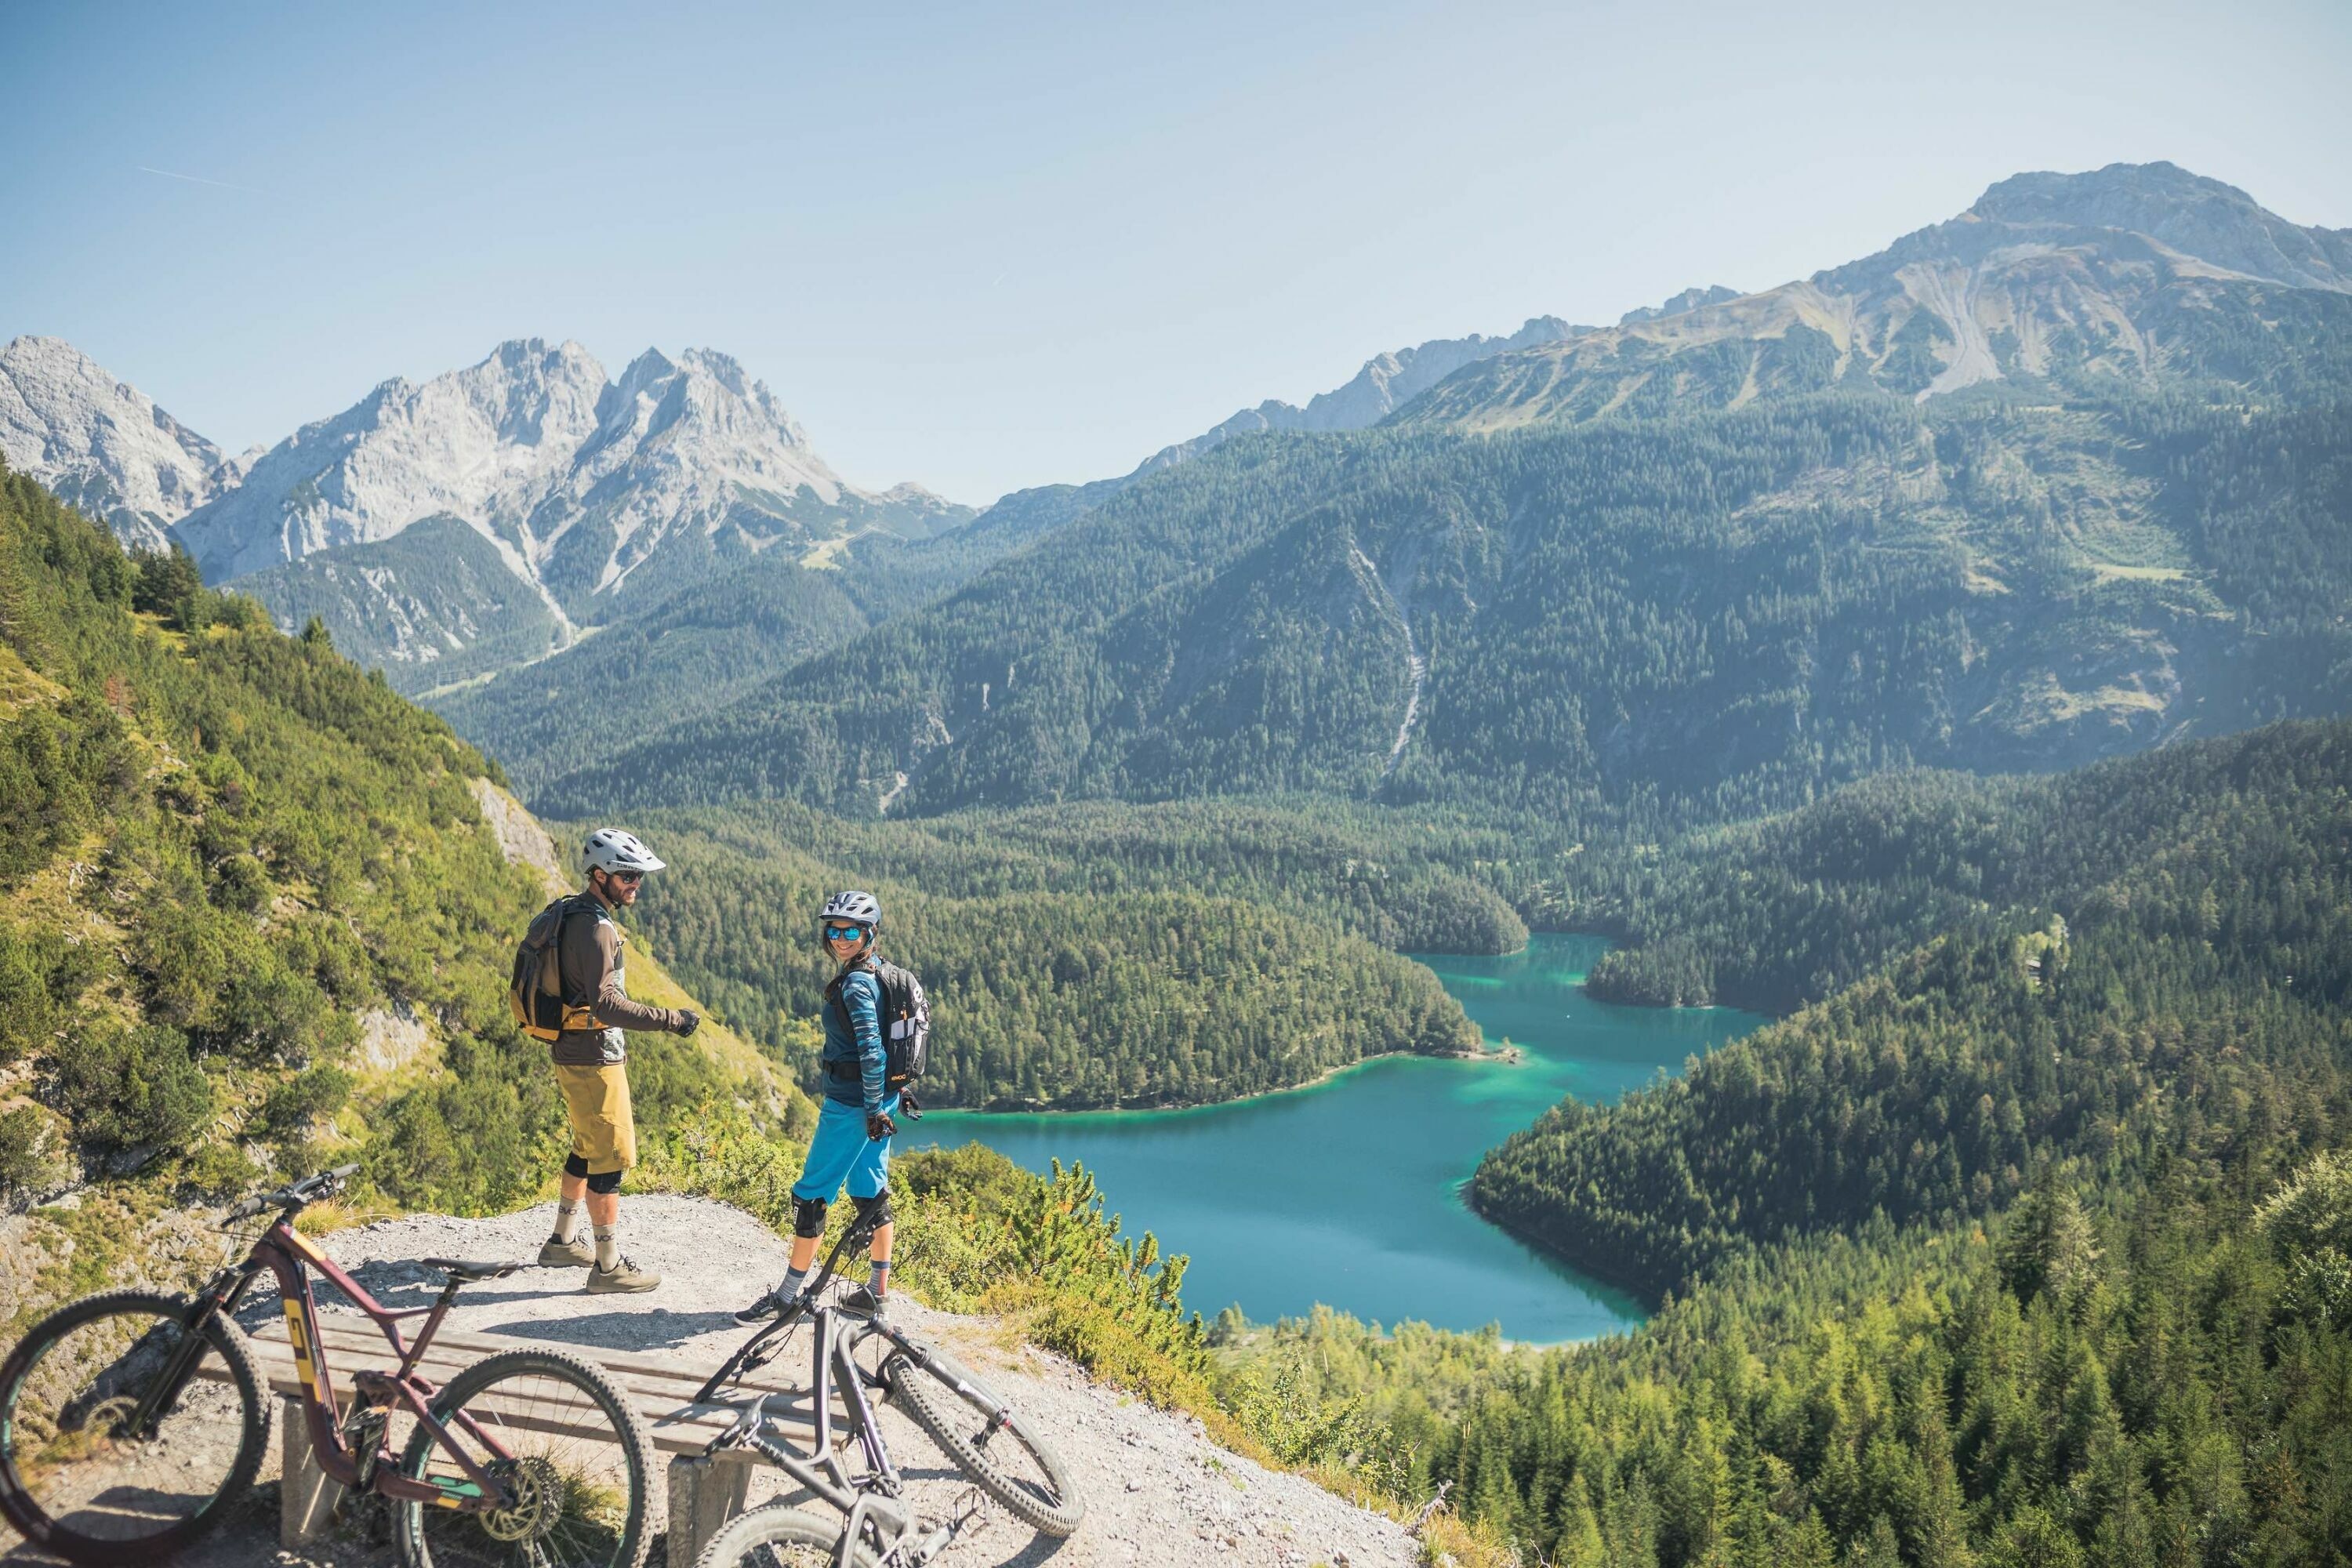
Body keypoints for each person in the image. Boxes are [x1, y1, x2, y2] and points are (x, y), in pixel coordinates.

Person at [535, 827, 701, 1293]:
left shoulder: (571, 912)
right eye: (628, 875)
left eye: (639, 876)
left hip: (572, 1050)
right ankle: (608, 1267)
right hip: (593, 1057)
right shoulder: (598, 928)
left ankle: (563, 1241)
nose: (636, 884)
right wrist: (671, 1018)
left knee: (588, 1145)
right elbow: (606, 1005)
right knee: (610, 1158)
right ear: (600, 874)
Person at [736, 890, 903, 1321]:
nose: (841, 938)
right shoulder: (882, 972)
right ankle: (876, 1293)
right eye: (834, 930)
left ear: (871, 933)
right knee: (870, 1192)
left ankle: (789, 1298)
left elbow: (871, 1047)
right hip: (882, 1100)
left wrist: (868, 1109)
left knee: (812, 1195)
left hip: (854, 1106)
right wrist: (880, 1107)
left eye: (851, 931)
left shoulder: (858, 984)